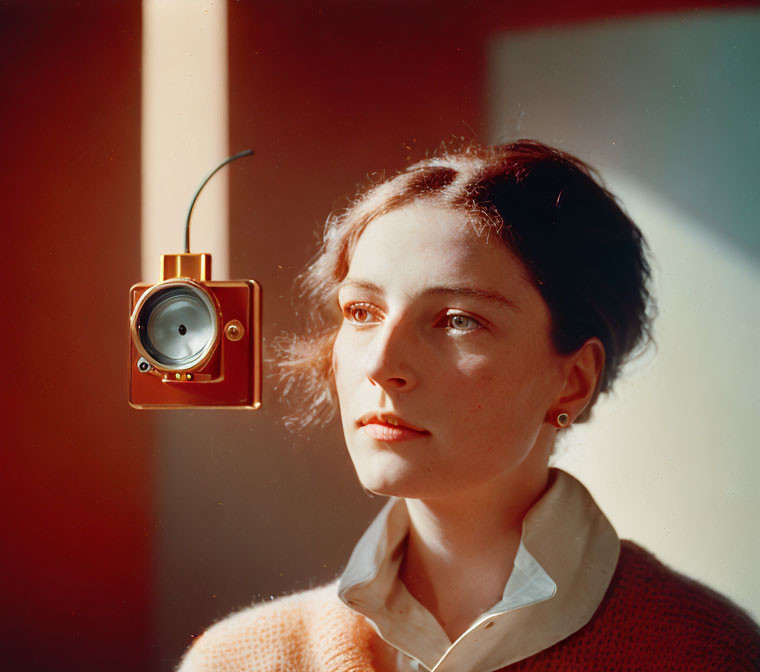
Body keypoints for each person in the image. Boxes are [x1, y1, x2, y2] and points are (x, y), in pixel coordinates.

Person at [179, 140, 760, 671]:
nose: (382, 364)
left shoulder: (705, 653)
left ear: (573, 382)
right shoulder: (237, 660)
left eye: (458, 320)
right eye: (361, 312)